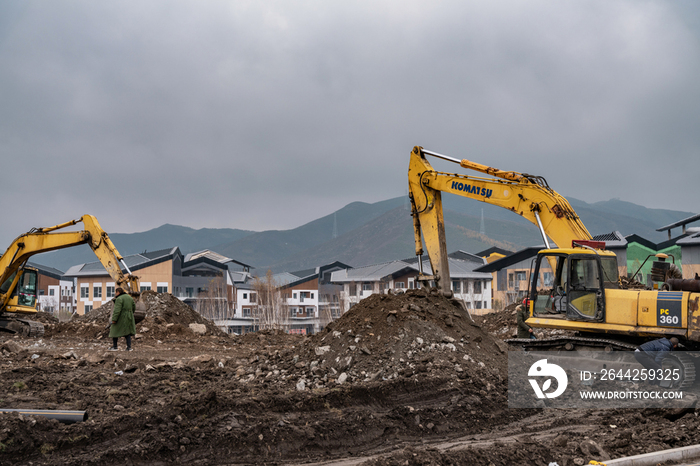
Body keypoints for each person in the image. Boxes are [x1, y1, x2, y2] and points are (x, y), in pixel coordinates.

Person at [108, 287, 136, 351]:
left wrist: (114, 319)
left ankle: (115, 347)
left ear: (118, 292)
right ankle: (129, 348)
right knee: (127, 332)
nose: (115, 294)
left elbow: (117, 310)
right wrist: (130, 314)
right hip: (129, 317)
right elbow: (134, 307)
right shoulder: (130, 298)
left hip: (121, 317)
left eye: (116, 293)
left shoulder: (119, 299)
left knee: (114, 330)